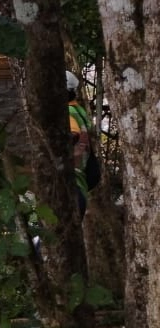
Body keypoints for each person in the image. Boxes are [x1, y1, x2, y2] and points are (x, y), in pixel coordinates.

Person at [66, 70, 96, 217]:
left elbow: (74, 134)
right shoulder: (77, 109)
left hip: (73, 185)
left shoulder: (67, 112)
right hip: (80, 182)